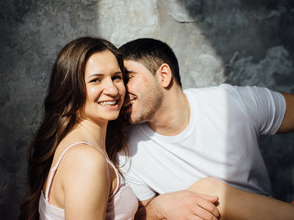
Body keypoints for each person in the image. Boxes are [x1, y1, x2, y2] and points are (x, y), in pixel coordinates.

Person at [118, 38, 294, 219]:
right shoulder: (127, 152)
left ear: (163, 75)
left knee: (208, 190)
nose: (119, 91)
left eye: (127, 78)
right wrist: (159, 207)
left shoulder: (230, 103)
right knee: (204, 192)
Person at [19, 37, 138, 220]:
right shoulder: (86, 160)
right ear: (71, 88)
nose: (112, 90)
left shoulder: (82, 147)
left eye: (116, 77)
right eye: (96, 80)